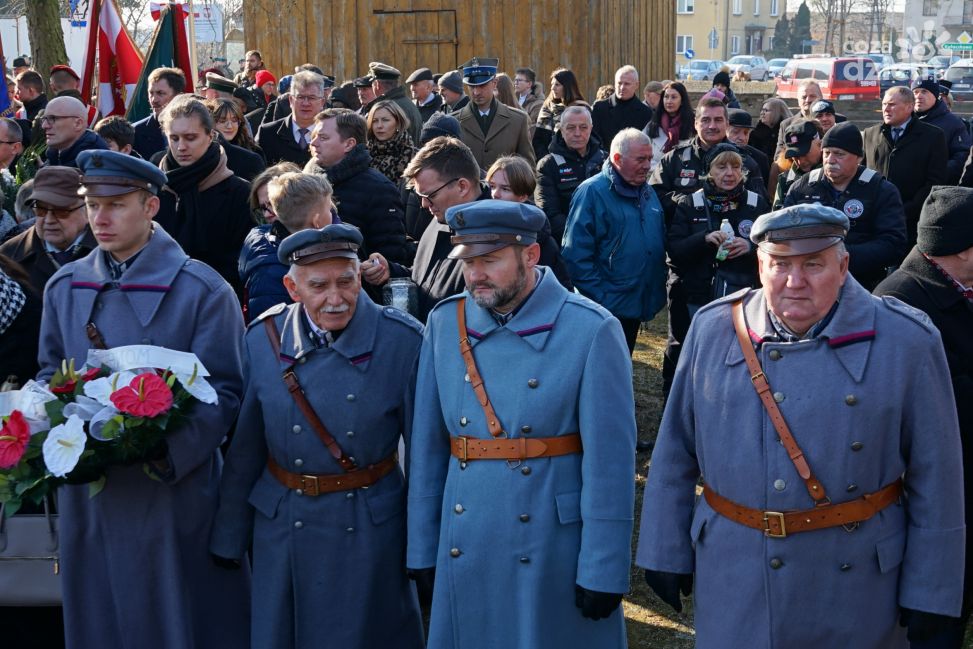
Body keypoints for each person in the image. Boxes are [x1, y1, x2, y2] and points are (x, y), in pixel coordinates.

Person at [637, 202, 965, 649]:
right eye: (780, 265)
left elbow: (938, 479)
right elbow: (676, 449)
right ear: (759, 264)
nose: (795, 282)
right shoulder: (714, 329)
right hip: (737, 572)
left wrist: (933, 590)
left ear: (844, 264)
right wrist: (663, 548)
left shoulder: (906, 340)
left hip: (857, 582)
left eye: (813, 264)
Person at [38, 149, 251, 649]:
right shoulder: (65, 285)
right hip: (89, 495)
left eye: (117, 204)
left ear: (151, 206)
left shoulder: (202, 289)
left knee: (179, 618)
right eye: (92, 205)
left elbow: (224, 391)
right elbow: (51, 374)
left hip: (170, 494)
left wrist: (163, 451)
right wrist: (58, 435)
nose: (101, 218)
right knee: (100, 616)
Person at [407, 199, 636, 649]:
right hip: (466, 535)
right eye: (468, 262)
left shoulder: (590, 330)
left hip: (551, 545)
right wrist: (421, 546)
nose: (475, 275)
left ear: (530, 256)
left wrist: (604, 566)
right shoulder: (443, 322)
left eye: (489, 261)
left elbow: (610, 464)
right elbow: (428, 447)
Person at [211, 223, 424, 649]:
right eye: (319, 285)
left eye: (346, 281)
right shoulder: (264, 338)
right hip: (284, 526)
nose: (335, 298)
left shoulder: (402, 340)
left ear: (359, 277)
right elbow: (246, 448)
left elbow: (424, 457)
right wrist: (229, 536)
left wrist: (423, 549)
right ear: (292, 287)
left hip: (367, 527)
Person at [874, 186, 973, 649]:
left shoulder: (960, 286)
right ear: (965, 251)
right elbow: (924, 405)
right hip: (930, 498)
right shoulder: (900, 304)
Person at [562, 128, 666, 354]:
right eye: (641, 159)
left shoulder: (647, 192)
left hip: (634, 300)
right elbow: (575, 255)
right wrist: (602, 300)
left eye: (649, 158)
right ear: (617, 159)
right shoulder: (591, 192)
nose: (648, 165)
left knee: (620, 364)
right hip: (607, 306)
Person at [785, 121, 908, 290]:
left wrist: (841, 253)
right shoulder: (803, 186)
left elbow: (893, 244)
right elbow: (782, 232)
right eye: (826, 153)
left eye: (839, 154)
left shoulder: (880, 190)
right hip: (808, 282)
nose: (830, 160)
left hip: (861, 283)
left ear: (858, 157)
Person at [156, 94, 254, 294]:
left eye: (190, 138)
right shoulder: (154, 187)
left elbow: (241, 262)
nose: (181, 147)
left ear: (210, 136)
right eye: (174, 138)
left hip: (215, 299)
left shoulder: (239, 192)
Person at [667, 142, 767, 322]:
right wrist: (703, 239)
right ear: (709, 171)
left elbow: (772, 247)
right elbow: (674, 252)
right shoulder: (690, 203)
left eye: (736, 167)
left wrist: (750, 246)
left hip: (743, 295)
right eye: (721, 167)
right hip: (697, 296)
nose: (730, 173)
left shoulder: (756, 203)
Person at [305, 108, 408, 264]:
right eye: (314, 136)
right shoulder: (307, 179)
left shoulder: (379, 189)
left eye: (323, 138)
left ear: (349, 144)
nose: (313, 143)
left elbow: (390, 255)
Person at [238, 169, 332, 321]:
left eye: (273, 204)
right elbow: (272, 331)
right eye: (264, 207)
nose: (269, 213)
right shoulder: (270, 268)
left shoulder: (320, 246)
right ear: (317, 220)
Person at [862, 86, 948, 246]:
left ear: (909, 107)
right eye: (884, 104)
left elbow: (935, 182)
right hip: (874, 219)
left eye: (892, 104)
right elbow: (862, 173)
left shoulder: (933, 136)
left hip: (912, 222)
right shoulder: (870, 134)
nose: (886, 109)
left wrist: (906, 209)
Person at [0, 166, 96, 294]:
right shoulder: (9, 256)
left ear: (87, 210)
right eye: (41, 209)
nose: (49, 219)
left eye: (61, 210)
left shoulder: (112, 250)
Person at [484, 155, 573, 288]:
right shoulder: (480, 228)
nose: (495, 194)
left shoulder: (543, 241)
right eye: (492, 186)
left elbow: (560, 288)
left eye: (505, 189)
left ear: (522, 196)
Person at [535, 105, 606, 244]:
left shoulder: (605, 160)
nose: (578, 133)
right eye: (571, 128)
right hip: (568, 243)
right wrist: (584, 235)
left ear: (591, 128)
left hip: (606, 242)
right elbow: (549, 215)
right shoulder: (548, 165)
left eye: (583, 127)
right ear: (561, 130)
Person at [454, 57, 535, 169]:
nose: (476, 92)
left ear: (495, 83)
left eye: (482, 85)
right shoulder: (453, 122)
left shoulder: (518, 120)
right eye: (472, 86)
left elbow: (528, 169)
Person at [256, 70, 327, 167]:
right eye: (300, 97)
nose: (306, 103)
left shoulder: (333, 135)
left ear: (322, 102)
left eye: (312, 98)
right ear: (290, 100)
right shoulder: (267, 133)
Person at [913, 78, 971, 184]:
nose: (918, 96)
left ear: (935, 96)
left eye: (924, 92)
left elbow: (962, 156)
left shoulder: (954, 124)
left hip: (937, 188)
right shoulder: (904, 119)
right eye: (915, 92)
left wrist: (937, 173)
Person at [591, 65, 654, 153]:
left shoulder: (646, 113)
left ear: (636, 85)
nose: (622, 87)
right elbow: (594, 138)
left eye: (627, 84)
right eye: (619, 83)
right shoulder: (600, 108)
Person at [202, 98, 267, 181]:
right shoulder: (203, 153)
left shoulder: (254, 152)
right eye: (222, 121)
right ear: (210, 123)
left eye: (234, 120)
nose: (229, 126)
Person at [533, 68, 587, 159]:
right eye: (552, 84)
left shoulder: (581, 108)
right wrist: (547, 160)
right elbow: (539, 139)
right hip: (551, 160)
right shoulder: (548, 107)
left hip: (576, 158)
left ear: (567, 86)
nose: (552, 88)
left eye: (557, 85)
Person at [768, 119, 822, 209]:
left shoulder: (836, 174)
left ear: (819, 144)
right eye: (795, 156)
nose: (800, 161)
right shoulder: (784, 180)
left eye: (804, 154)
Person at [366, 62, 424, 145]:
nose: (379, 125)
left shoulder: (388, 107)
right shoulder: (406, 102)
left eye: (385, 120)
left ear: (377, 84)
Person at [42, 96, 110, 167]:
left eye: (53, 118)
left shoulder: (97, 164)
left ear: (78, 124)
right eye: (44, 119)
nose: (44, 126)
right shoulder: (53, 156)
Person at [133, 67, 185, 160]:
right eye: (151, 93)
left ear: (177, 96)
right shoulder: (135, 133)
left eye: (160, 93)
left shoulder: (191, 128)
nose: (154, 100)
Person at [643, 81, 695, 165]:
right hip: (655, 173)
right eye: (666, 97)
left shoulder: (692, 124)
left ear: (682, 101)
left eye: (674, 97)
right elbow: (642, 151)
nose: (669, 101)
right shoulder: (653, 124)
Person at [366, 99, 415, 184]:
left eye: (385, 120)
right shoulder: (364, 154)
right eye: (375, 121)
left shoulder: (413, 156)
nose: (379, 126)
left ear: (398, 123)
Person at [774, 80, 823, 159]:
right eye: (804, 97)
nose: (808, 100)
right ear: (798, 100)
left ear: (821, 98)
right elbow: (778, 157)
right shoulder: (786, 125)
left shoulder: (834, 121)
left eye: (812, 96)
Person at [726, 108, 770, 183]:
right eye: (736, 132)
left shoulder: (760, 159)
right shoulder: (712, 154)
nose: (742, 138)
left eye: (746, 133)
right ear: (724, 130)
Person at [749, 97, 791, 162]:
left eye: (766, 110)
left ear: (778, 112)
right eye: (762, 110)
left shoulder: (788, 131)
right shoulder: (755, 134)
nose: (762, 113)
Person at [514, 67, 544, 137]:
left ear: (529, 84)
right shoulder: (513, 98)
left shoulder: (538, 103)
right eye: (515, 80)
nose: (516, 83)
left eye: (519, 80)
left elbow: (532, 126)